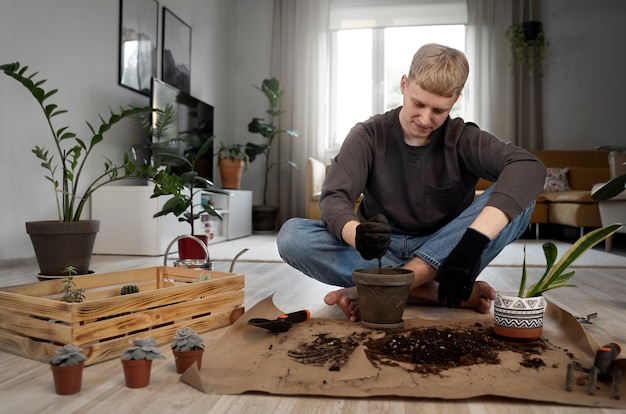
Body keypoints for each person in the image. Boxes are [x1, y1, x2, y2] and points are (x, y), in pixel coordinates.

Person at [277, 43, 546, 322]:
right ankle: (434, 292)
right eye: (418, 103)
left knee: (522, 199)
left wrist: (471, 245)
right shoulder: (367, 135)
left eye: (438, 110)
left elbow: (528, 168)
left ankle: (386, 285)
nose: (425, 118)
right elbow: (334, 199)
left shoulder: (463, 138)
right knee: (292, 237)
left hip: (448, 256)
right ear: (404, 84)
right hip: (378, 255)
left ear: (455, 100)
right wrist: (357, 234)